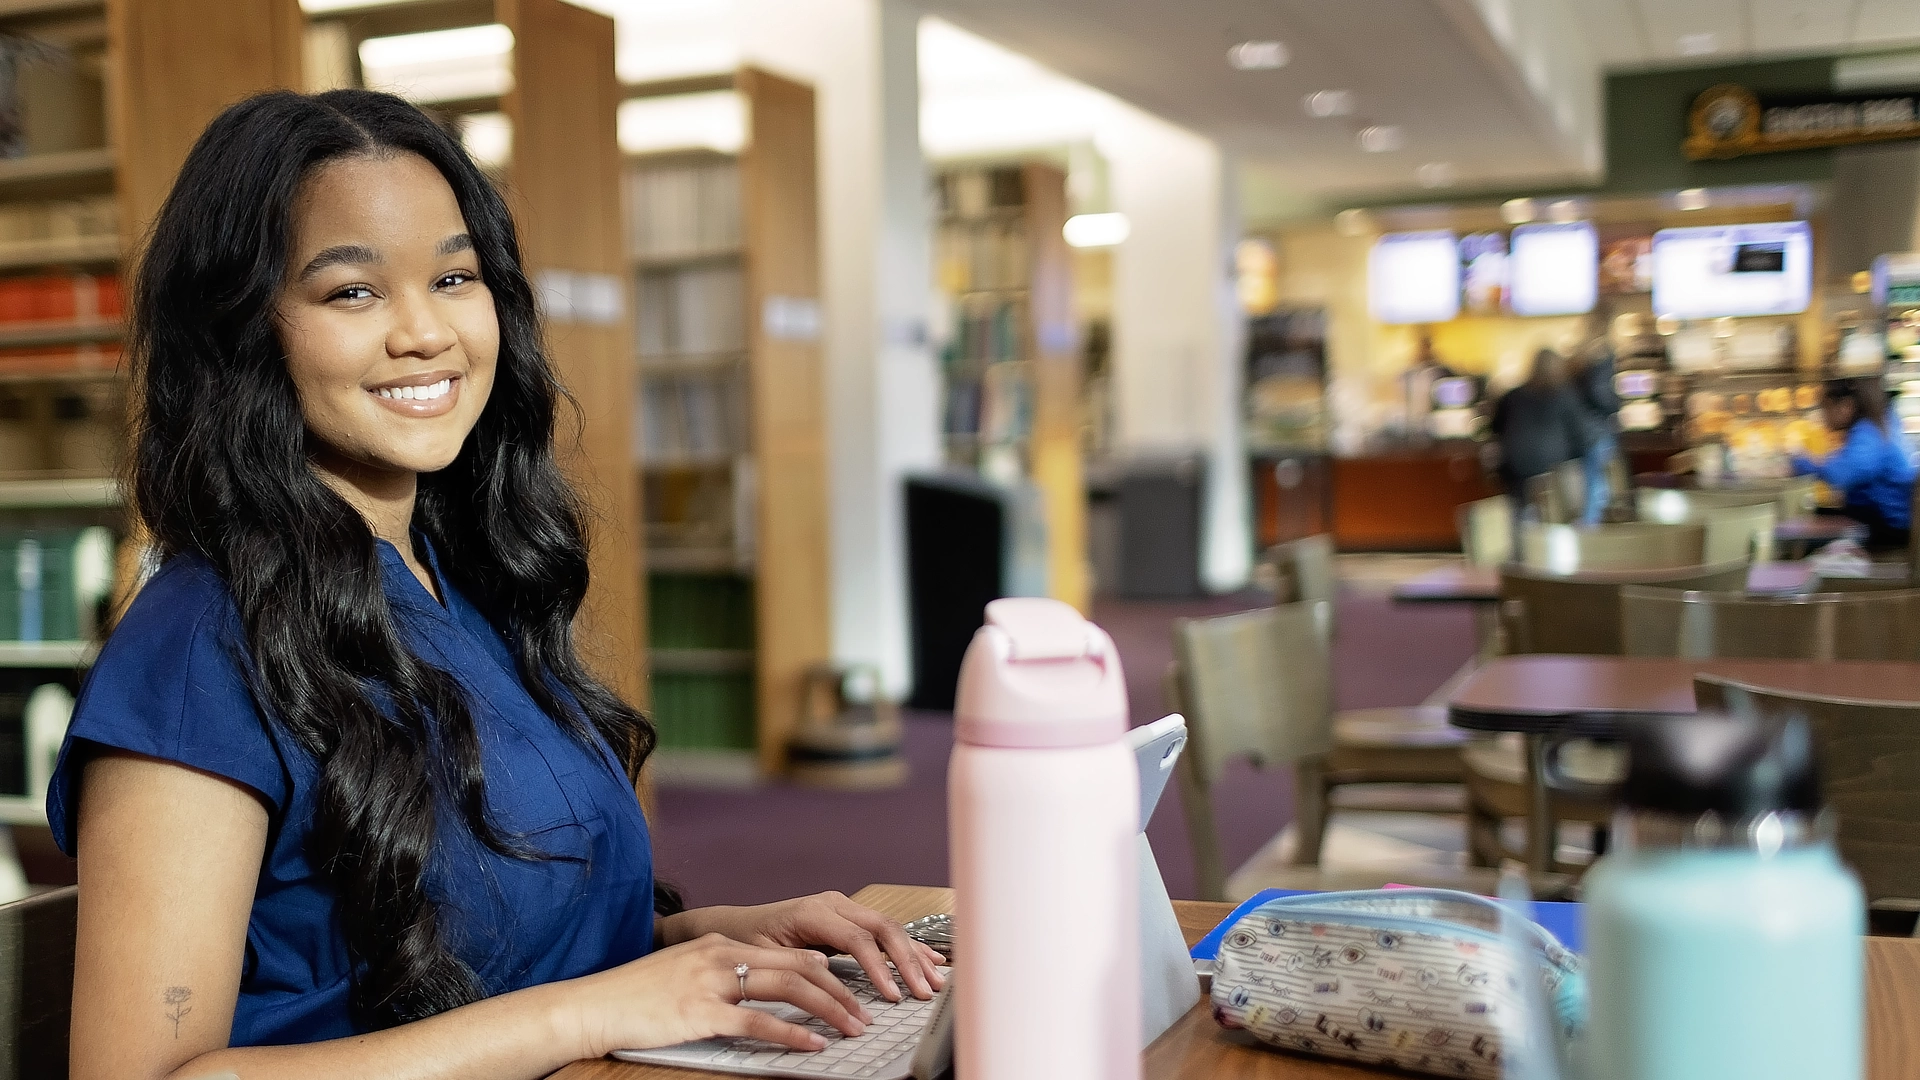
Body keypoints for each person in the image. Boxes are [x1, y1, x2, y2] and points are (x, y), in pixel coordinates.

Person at [54, 89, 942, 1080]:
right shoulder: (195, 654)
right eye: (353, 292)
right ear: (242, 330)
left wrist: (705, 944)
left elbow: (493, 960)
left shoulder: (464, 580)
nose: (426, 332)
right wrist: (598, 1008)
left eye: (454, 277)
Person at [1791, 379, 1917, 551]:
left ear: (1846, 405)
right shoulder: (1884, 423)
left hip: (1885, 528)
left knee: (1803, 539)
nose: (1823, 416)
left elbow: (1842, 474)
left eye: (1825, 408)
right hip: (1889, 522)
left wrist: (1800, 463)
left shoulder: (1868, 431)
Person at [1489, 348, 1591, 528]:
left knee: (1521, 517)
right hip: (1552, 468)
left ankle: (1523, 535)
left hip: (1516, 466)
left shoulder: (1512, 396)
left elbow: (1495, 428)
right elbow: (1581, 435)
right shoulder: (1565, 396)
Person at [1571, 325, 1621, 525]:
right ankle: (1595, 527)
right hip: (1598, 431)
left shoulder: (1577, 363)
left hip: (1585, 432)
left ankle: (1592, 524)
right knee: (1599, 482)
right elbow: (1601, 395)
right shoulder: (1601, 361)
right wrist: (1617, 403)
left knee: (1592, 481)